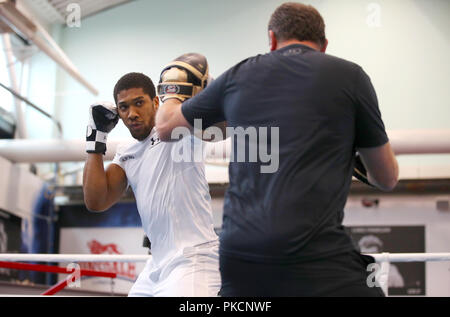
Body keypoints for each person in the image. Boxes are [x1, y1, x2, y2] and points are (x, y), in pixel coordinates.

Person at [155, 2, 399, 296]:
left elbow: (165, 127)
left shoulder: (238, 75)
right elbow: (386, 178)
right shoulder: (351, 76)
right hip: (317, 256)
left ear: (271, 39)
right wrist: (353, 152)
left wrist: (172, 88)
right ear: (324, 46)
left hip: (240, 255)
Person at [82, 64, 221, 296]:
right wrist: (95, 139)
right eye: (123, 107)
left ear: (156, 103)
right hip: (155, 266)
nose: (131, 113)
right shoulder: (127, 152)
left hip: (193, 259)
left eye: (139, 103)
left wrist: (201, 85)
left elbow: (214, 119)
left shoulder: (178, 131)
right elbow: (96, 201)